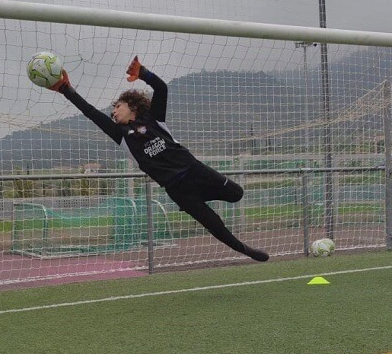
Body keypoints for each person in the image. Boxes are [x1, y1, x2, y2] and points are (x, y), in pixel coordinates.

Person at [46, 57, 269, 262]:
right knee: (214, 225)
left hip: (195, 171)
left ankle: (203, 197)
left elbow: (161, 88)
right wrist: (66, 89)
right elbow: (91, 112)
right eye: (112, 110)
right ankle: (245, 250)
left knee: (236, 193)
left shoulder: (154, 119)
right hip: (177, 190)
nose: (113, 112)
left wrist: (143, 73)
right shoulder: (120, 135)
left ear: (131, 106)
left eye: (117, 107)